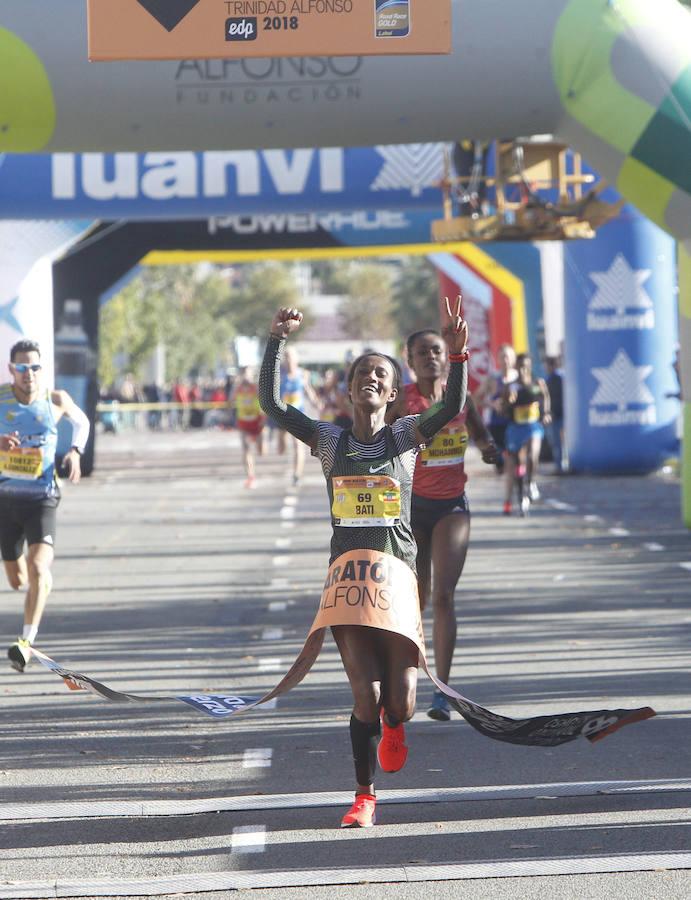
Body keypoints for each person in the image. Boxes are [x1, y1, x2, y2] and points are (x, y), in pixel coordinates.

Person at [259, 300, 469, 829]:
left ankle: (394, 726)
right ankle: (363, 795)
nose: (371, 379)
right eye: (362, 374)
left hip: (397, 579)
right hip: (348, 579)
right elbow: (271, 405)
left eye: (381, 374)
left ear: (393, 393)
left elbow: (449, 409)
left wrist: (460, 354)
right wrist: (276, 342)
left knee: (398, 701)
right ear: (350, 390)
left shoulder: (404, 437)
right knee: (365, 693)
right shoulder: (330, 440)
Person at [387, 329, 500, 722]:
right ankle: (409, 681)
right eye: (423, 352)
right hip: (411, 509)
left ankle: (442, 691)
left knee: (444, 597)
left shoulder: (459, 396)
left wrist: (489, 450)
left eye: (437, 351)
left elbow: (483, 436)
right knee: (415, 598)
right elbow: (379, 441)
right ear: (410, 360)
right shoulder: (401, 399)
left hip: (453, 504)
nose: (432, 358)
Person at [0, 340, 90, 671]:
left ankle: (25, 642)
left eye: (35, 368)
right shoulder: (1, 399)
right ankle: (36, 582)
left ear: (42, 369)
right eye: (22, 368)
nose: (29, 374)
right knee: (16, 580)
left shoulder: (56, 399)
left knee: (38, 568)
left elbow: (83, 423)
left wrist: (75, 451)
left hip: (42, 498)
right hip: (5, 502)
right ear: (12, 370)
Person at [503, 352, 550, 515]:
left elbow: (545, 396)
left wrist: (546, 413)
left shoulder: (537, 382)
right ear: (516, 367)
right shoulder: (511, 386)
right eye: (520, 366)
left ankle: (531, 483)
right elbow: (503, 410)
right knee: (519, 465)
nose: (523, 370)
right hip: (516, 428)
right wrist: (508, 402)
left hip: (533, 426)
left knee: (532, 456)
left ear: (530, 366)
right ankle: (522, 497)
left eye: (526, 366)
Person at [278, 345, 319, 486]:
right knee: (281, 448)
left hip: (298, 416)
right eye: (286, 357)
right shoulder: (280, 375)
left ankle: (297, 475)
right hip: (282, 416)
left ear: (296, 359)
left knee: (298, 445)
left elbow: (308, 390)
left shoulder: (302, 374)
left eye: (290, 356)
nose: (288, 360)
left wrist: (316, 402)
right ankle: (291, 469)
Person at [473, 344, 518, 474]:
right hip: (497, 424)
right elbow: (476, 398)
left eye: (508, 357)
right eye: (502, 357)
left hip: (515, 422)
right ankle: (504, 478)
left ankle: (517, 484)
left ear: (514, 359)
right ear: (498, 359)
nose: (506, 360)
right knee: (499, 461)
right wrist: (491, 404)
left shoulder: (519, 377)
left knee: (515, 456)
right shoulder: (492, 379)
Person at [230, 366, 266, 489]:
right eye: (244, 374)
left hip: (257, 421)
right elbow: (230, 401)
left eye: (248, 374)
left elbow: (264, 400)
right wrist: (235, 386)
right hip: (243, 422)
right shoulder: (237, 388)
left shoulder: (255, 387)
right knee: (246, 449)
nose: (246, 377)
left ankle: (261, 446)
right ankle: (250, 476)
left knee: (261, 451)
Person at [544, 356, 564, 473]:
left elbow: (555, 399)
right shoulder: (551, 379)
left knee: (557, 443)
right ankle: (560, 466)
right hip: (556, 415)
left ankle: (560, 467)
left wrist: (551, 412)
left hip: (557, 416)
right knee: (557, 443)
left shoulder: (556, 379)